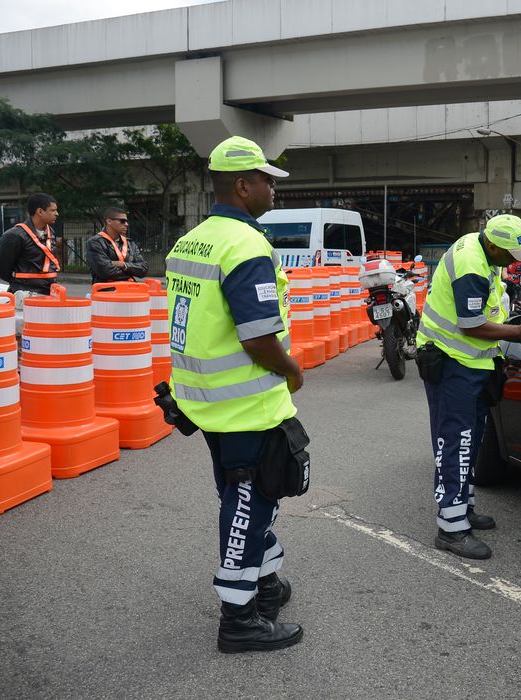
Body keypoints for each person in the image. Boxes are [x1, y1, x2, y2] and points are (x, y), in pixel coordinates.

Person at [165, 135, 304, 653]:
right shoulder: (246, 244)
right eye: (267, 180)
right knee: (250, 504)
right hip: (247, 405)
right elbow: (257, 336)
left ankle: (264, 586)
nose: (273, 188)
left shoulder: (192, 240)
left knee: (244, 498)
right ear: (242, 185)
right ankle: (239, 618)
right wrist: (292, 370)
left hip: (207, 401)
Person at [416, 213, 521, 559]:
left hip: (472, 363)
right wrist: (520, 333)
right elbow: (472, 325)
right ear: (493, 245)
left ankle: (463, 506)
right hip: (451, 363)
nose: (513, 262)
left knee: (472, 438)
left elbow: (489, 311)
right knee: (456, 442)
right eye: (509, 255)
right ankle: (451, 529)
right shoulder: (472, 265)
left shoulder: (485, 252)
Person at [0, 193, 61, 333]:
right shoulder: (14, 235)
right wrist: (21, 283)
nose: (57, 214)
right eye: (53, 210)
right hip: (25, 295)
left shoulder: (51, 232)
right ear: (40, 211)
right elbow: (2, 270)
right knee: (29, 334)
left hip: (48, 293)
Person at [85, 207, 148, 283]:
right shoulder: (95, 242)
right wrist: (131, 271)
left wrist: (123, 265)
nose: (126, 224)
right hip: (107, 291)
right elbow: (104, 271)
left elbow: (144, 269)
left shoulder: (130, 243)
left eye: (126, 221)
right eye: (122, 221)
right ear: (109, 221)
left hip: (129, 290)